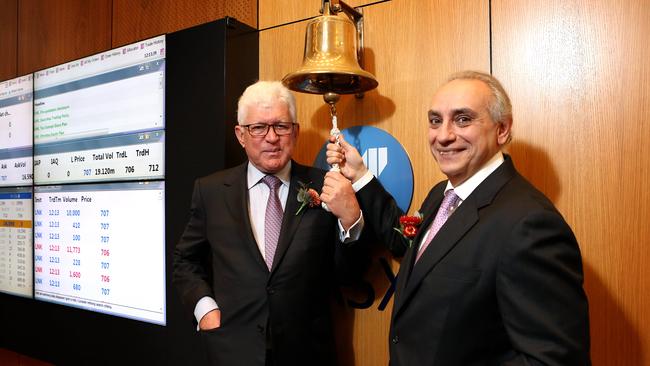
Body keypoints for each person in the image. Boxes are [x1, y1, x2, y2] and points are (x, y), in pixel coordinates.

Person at [326, 71, 591, 365]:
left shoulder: (531, 225)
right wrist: (361, 176)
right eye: (435, 121)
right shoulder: (442, 193)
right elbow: (408, 247)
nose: (444, 135)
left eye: (463, 119)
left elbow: (555, 360)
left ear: (502, 129)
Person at [173, 80, 363, 366]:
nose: (271, 137)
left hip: (307, 353)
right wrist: (205, 310)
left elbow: (348, 274)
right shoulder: (210, 191)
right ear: (240, 134)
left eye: (281, 126)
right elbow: (184, 260)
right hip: (232, 351)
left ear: (295, 132)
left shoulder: (328, 186)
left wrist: (352, 221)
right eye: (258, 127)